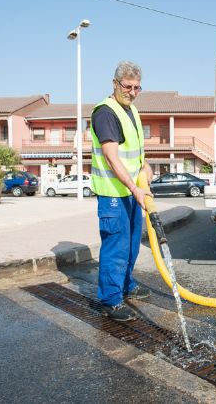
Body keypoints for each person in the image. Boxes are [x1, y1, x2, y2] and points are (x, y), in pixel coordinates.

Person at [90, 60, 154, 321]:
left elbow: (135, 154)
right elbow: (111, 157)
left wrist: (145, 168)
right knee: (115, 247)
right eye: (127, 86)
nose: (132, 92)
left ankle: (126, 285)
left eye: (137, 87)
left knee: (130, 246)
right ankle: (111, 300)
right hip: (113, 194)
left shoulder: (132, 111)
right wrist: (134, 188)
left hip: (131, 192)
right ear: (115, 84)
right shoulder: (106, 112)